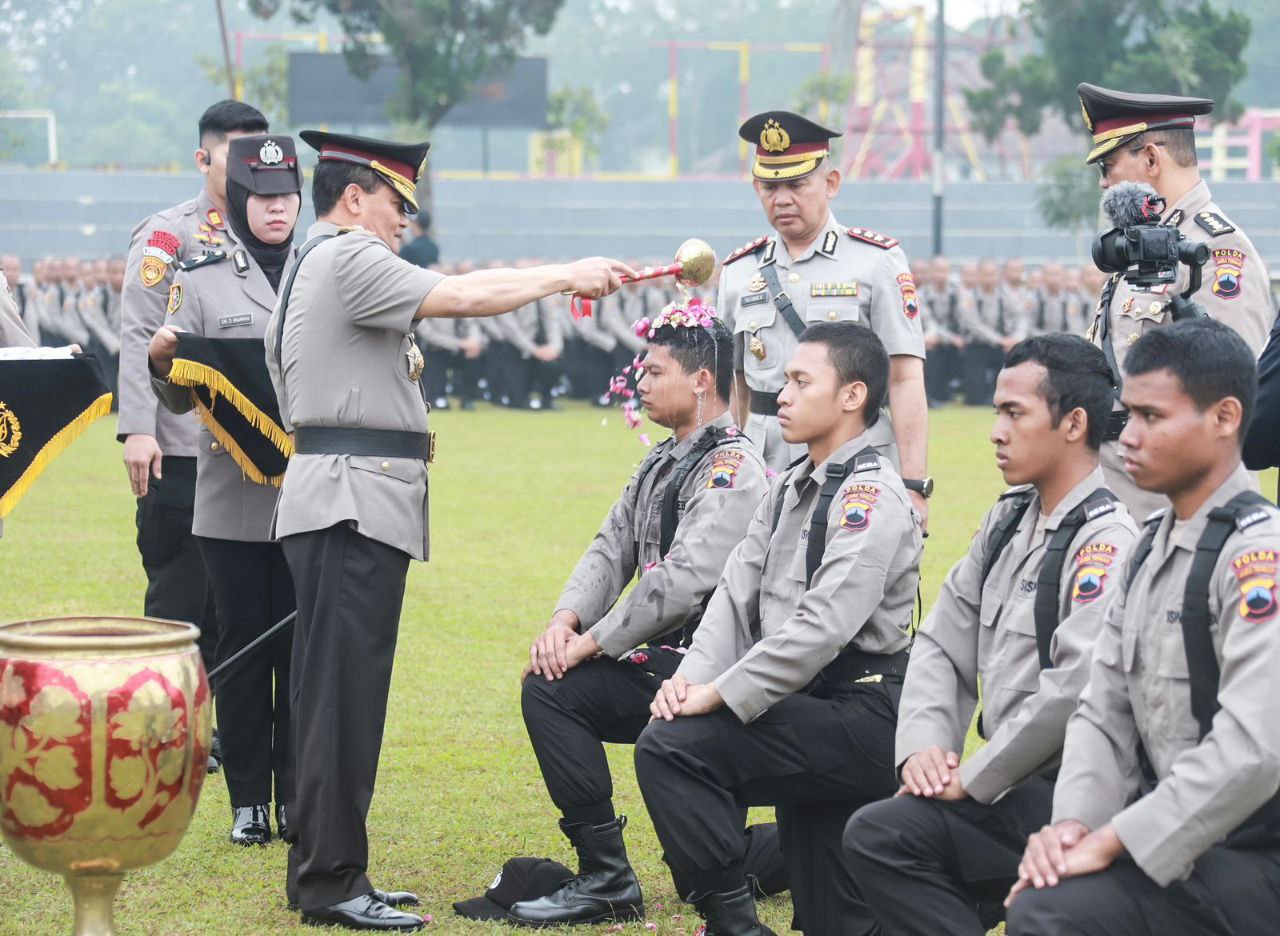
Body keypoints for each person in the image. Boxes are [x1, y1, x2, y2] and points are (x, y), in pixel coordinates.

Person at [264, 129, 633, 932]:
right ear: (354, 197)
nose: (404, 220)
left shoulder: (315, 261)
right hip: (352, 501)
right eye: (397, 203)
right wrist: (565, 275)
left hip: (344, 497)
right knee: (341, 703)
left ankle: (329, 871)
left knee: (335, 698)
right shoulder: (348, 255)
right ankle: (330, 884)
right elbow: (462, 295)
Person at [842, 334, 1137, 935]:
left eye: (1014, 413)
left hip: (1077, 794)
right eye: (997, 411)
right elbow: (942, 644)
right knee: (883, 834)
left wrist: (973, 781)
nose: (995, 430)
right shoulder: (1009, 519)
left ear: (1074, 423)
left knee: (886, 839)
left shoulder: (1106, 543)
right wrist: (925, 748)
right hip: (1009, 784)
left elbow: (1071, 690)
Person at [633, 323, 922, 935]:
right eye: (784, 380)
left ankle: (734, 923)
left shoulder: (873, 498)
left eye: (800, 381)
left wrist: (720, 693)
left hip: (864, 714)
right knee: (834, 921)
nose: (781, 395)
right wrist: (687, 681)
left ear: (852, 396)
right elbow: (734, 599)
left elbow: (821, 629)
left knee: (674, 751)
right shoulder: (789, 485)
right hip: (809, 707)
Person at [508, 303, 781, 927]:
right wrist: (566, 620)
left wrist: (593, 644)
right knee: (550, 690)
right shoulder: (662, 458)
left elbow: (682, 582)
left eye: (657, 372)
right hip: (660, 659)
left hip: (713, 667)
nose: (643, 383)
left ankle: (821, 843)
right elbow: (611, 548)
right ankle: (605, 873)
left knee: (708, 873)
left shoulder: (732, 467)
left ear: (702, 380)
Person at [1004, 319, 1280, 935]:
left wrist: (1113, 841)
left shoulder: (1259, 556)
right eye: (1126, 414)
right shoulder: (1149, 545)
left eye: (1152, 417)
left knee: (1051, 914)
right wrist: (1073, 822)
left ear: (1225, 418)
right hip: (1170, 833)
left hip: (1254, 851)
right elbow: (1103, 710)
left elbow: (1255, 748)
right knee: (1046, 897)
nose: (1126, 437)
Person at [148, 133, 303, 850]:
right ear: (239, 201)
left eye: (287, 197)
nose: (277, 209)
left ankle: (302, 797)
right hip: (231, 501)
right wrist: (161, 367)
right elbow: (181, 403)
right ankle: (248, 802)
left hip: (311, 502)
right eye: (263, 198)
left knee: (302, 653)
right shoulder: (201, 276)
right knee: (242, 651)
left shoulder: (323, 270)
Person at [118, 100, 269, 705]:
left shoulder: (269, 231)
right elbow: (138, 332)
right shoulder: (169, 234)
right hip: (180, 447)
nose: (251, 171)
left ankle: (228, 728)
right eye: (237, 156)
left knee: (240, 605)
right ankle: (166, 728)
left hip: (251, 454)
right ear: (203, 158)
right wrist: (138, 429)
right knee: (181, 600)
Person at [716, 111, 931, 527]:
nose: (782, 199)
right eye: (770, 186)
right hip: (764, 460)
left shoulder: (876, 262)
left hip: (854, 453)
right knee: (758, 581)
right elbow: (733, 384)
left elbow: (905, 377)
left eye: (796, 184)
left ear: (830, 184)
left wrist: (914, 483)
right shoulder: (738, 272)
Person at [1077, 83, 1275, 520]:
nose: (1104, 183)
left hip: (1175, 502)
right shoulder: (1144, 246)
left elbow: (1233, 394)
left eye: (1109, 166)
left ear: (1151, 158)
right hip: (1123, 487)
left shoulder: (1217, 250)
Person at [959, 259, 1017, 406]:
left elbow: (1021, 316)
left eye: (992, 274)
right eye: (985, 274)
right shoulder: (969, 297)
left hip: (1002, 348)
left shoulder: (1006, 295)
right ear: (978, 276)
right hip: (976, 347)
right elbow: (974, 325)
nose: (989, 278)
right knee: (976, 399)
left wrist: (1016, 337)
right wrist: (999, 340)